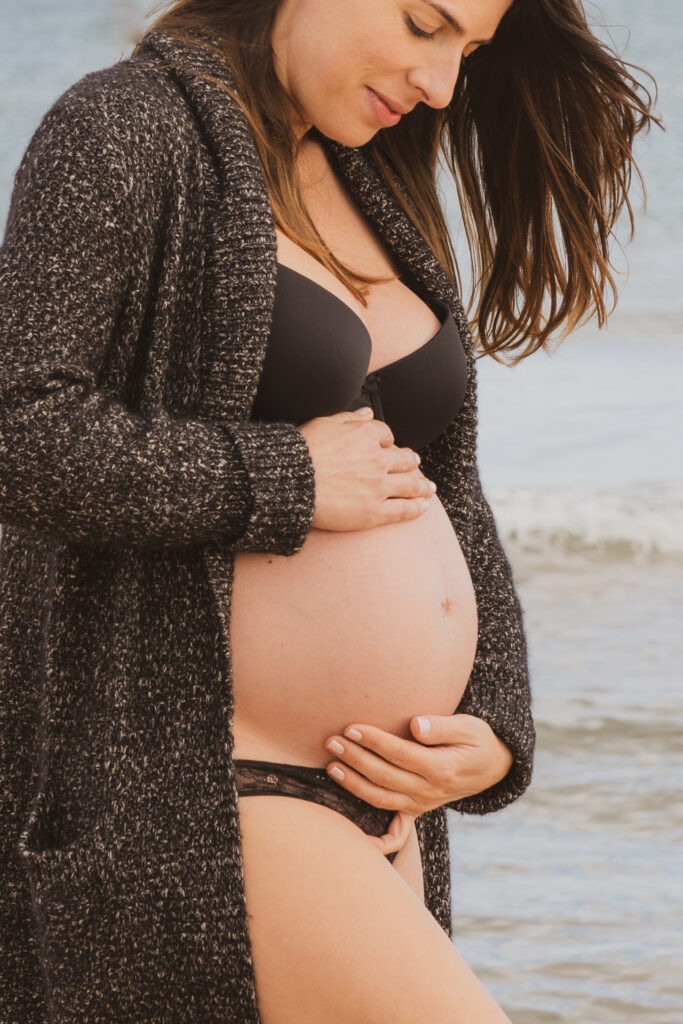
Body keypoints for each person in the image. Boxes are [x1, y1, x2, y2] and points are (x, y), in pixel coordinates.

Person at [0, 1, 658, 1022]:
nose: (439, 84)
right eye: (421, 24)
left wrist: (491, 722)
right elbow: (24, 433)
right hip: (210, 791)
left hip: (378, 808)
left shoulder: (369, 176)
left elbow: (444, 487)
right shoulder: (124, 129)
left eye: (465, 53)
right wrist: (284, 480)